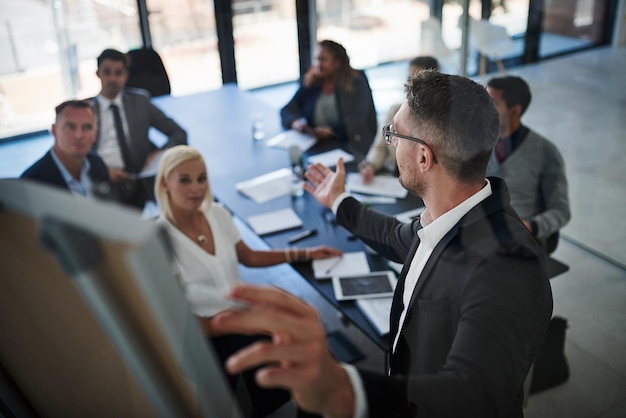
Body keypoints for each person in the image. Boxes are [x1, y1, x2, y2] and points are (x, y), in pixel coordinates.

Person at [212, 71, 554, 417]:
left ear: (424, 157)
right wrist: (338, 201)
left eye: (394, 134)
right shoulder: (452, 217)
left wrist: (346, 391)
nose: (389, 142)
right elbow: (394, 237)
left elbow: (475, 393)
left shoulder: (508, 267)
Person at [154, 144, 341, 417]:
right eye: (185, 180)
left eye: (201, 178)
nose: (196, 188)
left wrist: (305, 253)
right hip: (205, 333)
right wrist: (248, 322)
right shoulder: (159, 238)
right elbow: (176, 316)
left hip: (241, 317)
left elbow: (249, 256)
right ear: (164, 183)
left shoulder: (217, 213)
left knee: (306, 364)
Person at [92, 48, 187, 208]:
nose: (112, 78)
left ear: (126, 75)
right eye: (107, 72)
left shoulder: (140, 101)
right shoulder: (86, 110)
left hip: (138, 180)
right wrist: (102, 171)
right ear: (98, 73)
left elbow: (179, 133)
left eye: (118, 73)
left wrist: (161, 153)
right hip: (102, 181)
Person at [486, 75, 570, 253]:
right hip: (484, 230)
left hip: (520, 240)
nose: (485, 109)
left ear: (515, 111)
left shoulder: (546, 152)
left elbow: (561, 210)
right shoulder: (480, 144)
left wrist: (530, 227)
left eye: (492, 103)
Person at [280, 40, 377, 158]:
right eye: (316, 59)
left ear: (337, 62)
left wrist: (332, 131)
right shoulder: (312, 82)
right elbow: (287, 110)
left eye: (323, 60)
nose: (317, 64)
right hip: (319, 146)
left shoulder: (356, 82)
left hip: (350, 145)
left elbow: (357, 120)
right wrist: (295, 122)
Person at [359, 56, 440, 184]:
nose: (412, 85)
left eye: (418, 80)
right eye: (410, 78)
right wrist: (371, 165)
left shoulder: (440, 119)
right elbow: (380, 146)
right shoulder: (395, 111)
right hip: (397, 179)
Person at [21, 100, 109, 198]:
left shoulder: (97, 163)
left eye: (87, 127)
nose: (79, 135)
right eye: (70, 127)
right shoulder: (31, 182)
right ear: (54, 130)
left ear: (95, 134)